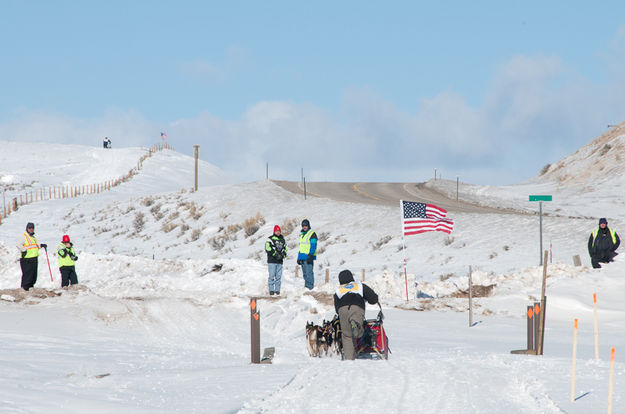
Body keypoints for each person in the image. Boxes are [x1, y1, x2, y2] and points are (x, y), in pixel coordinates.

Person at [333, 269, 379, 360]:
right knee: (357, 331)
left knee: (347, 336)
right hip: (356, 306)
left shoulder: (338, 290)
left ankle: (349, 359)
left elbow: (336, 309)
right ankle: (356, 324)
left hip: (342, 309)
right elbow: (373, 299)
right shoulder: (359, 286)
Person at [16, 222, 46, 290]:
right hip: (27, 259)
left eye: (32, 228)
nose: (31, 229)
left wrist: (41, 246)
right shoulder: (24, 236)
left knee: (33, 275)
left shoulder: (33, 237)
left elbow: (34, 247)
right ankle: (25, 289)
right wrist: (24, 250)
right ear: (27, 229)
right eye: (30, 228)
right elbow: (18, 244)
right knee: (27, 275)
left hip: (34, 258)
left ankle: (31, 288)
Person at [265, 225, 287, 296]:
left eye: (279, 231)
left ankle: (277, 291)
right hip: (272, 261)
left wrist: (283, 255)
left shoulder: (283, 239)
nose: (278, 232)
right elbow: (267, 248)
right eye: (276, 231)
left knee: (278, 276)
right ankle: (271, 290)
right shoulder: (270, 239)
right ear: (274, 231)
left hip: (280, 261)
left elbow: (285, 249)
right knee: (271, 276)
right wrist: (275, 254)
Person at [297, 219, 317, 290]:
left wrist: (311, 254)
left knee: (309, 273)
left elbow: (313, 245)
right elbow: (301, 247)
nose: (304, 227)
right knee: (305, 274)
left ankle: (310, 287)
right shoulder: (302, 234)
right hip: (302, 257)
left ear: (308, 225)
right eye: (303, 226)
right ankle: (306, 287)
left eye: (305, 225)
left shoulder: (312, 233)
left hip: (308, 256)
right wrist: (298, 258)